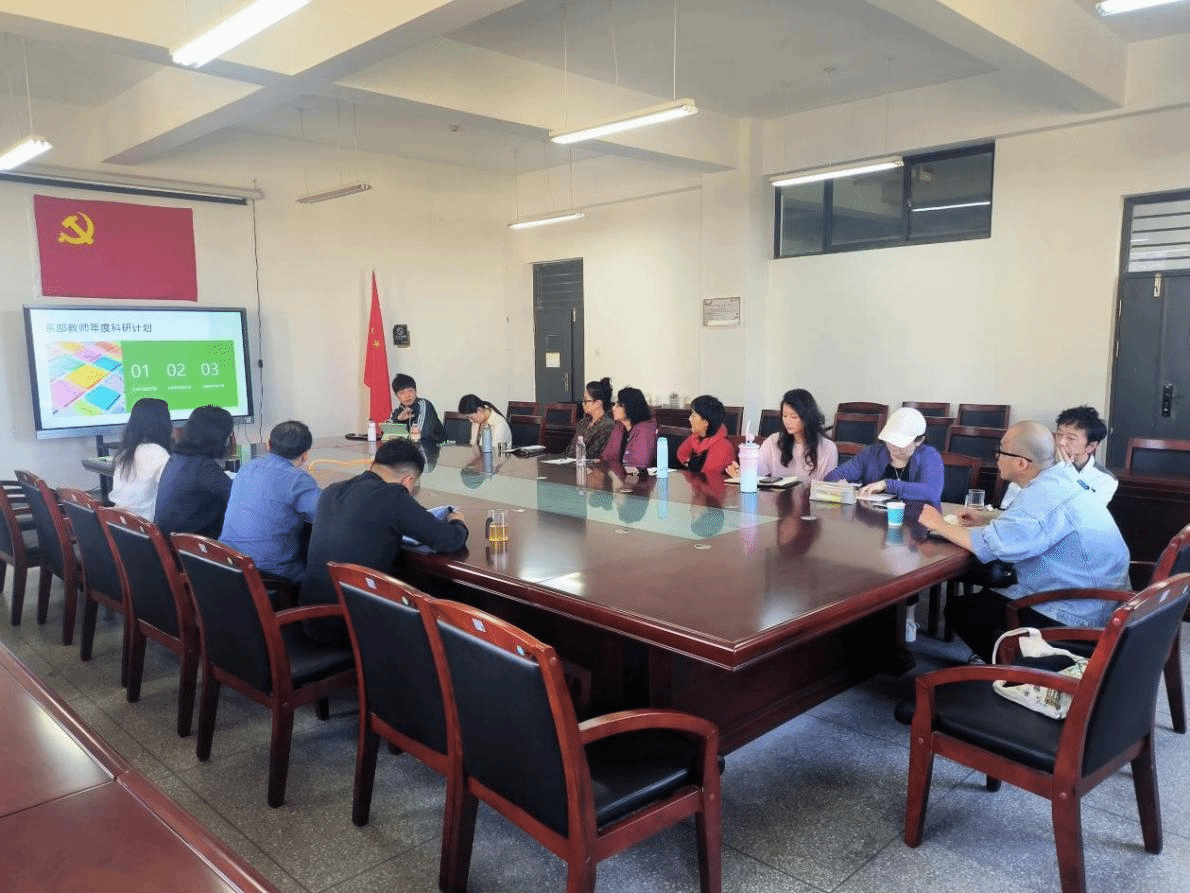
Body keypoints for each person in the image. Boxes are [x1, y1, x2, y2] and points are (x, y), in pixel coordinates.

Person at [919, 420, 1130, 663]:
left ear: (1021, 463)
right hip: (1104, 601)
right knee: (986, 594)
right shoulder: (1063, 479)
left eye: (1000, 451)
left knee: (962, 610)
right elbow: (1046, 522)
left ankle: (1023, 670)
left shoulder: (1040, 496)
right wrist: (989, 517)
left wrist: (937, 523)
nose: (996, 457)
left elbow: (989, 545)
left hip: (1076, 613)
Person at [299, 438, 468, 645]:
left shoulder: (331, 491)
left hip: (311, 617)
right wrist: (457, 521)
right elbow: (449, 540)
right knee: (439, 615)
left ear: (374, 464)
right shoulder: (393, 496)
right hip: (351, 626)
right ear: (408, 480)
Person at [219, 421, 321, 583]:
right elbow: (324, 516)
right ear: (305, 454)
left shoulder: (247, 468)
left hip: (227, 564)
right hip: (267, 575)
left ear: (268, 444)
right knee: (322, 577)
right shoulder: (298, 480)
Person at [1001, 405, 1117, 509]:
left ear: (1090, 447)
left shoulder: (1104, 479)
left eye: (1071, 438)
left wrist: (1067, 474)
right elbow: (1010, 505)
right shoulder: (1038, 463)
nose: (1061, 442)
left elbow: (1084, 514)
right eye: (1059, 434)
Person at [824, 406, 943, 503]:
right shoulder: (871, 453)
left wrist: (887, 485)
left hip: (916, 519)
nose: (894, 446)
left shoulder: (930, 456)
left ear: (919, 441)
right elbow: (833, 476)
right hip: (875, 518)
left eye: (900, 443)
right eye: (890, 440)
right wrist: (841, 485)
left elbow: (932, 492)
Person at [154, 405, 234, 538]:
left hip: (170, 541)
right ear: (219, 437)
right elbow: (238, 496)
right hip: (192, 545)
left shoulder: (177, 457)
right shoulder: (203, 467)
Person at [728, 388, 838, 481]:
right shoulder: (773, 441)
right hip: (777, 499)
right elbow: (757, 473)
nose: (788, 422)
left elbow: (827, 487)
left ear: (807, 417)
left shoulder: (827, 448)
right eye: (785, 416)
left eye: (794, 417)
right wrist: (742, 473)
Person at [110, 397, 173, 520]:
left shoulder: (125, 453)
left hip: (119, 523)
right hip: (145, 526)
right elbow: (171, 494)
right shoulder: (158, 453)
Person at [676, 394, 735, 475]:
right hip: (698, 482)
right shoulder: (697, 436)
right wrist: (690, 465)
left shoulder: (722, 446)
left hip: (708, 482)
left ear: (705, 422)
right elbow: (681, 454)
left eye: (693, 415)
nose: (689, 419)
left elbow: (705, 478)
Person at [601, 386, 658, 469]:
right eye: (614, 404)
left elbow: (640, 464)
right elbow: (606, 458)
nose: (613, 408)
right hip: (618, 474)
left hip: (639, 476)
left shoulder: (645, 430)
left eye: (619, 405)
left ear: (631, 407)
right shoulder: (619, 428)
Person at [565, 377, 616, 459]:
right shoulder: (583, 422)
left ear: (598, 403)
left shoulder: (607, 425)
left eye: (586, 401)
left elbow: (594, 454)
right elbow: (570, 450)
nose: (583, 404)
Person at [389, 373, 445, 447]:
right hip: (413, 449)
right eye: (402, 393)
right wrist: (398, 419)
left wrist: (399, 437)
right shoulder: (399, 411)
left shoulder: (423, 405)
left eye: (410, 391)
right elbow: (388, 434)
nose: (407, 395)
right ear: (397, 396)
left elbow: (420, 435)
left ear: (415, 391)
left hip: (434, 448)